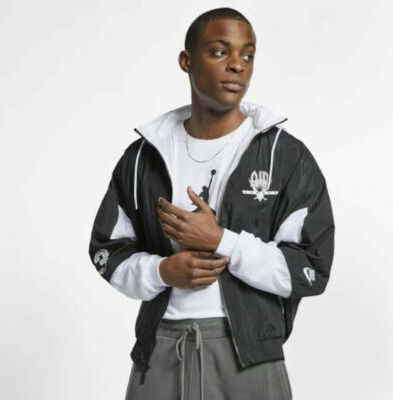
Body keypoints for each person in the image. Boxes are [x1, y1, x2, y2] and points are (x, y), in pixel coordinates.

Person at [88, 7, 335, 400]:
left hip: (251, 357)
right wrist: (164, 271)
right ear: (186, 61)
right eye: (220, 52)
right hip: (161, 349)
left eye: (247, 55)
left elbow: (310, 268)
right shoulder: (143, 156)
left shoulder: (285, 157)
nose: (237, 65)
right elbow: (108, 250)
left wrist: (222, 241)